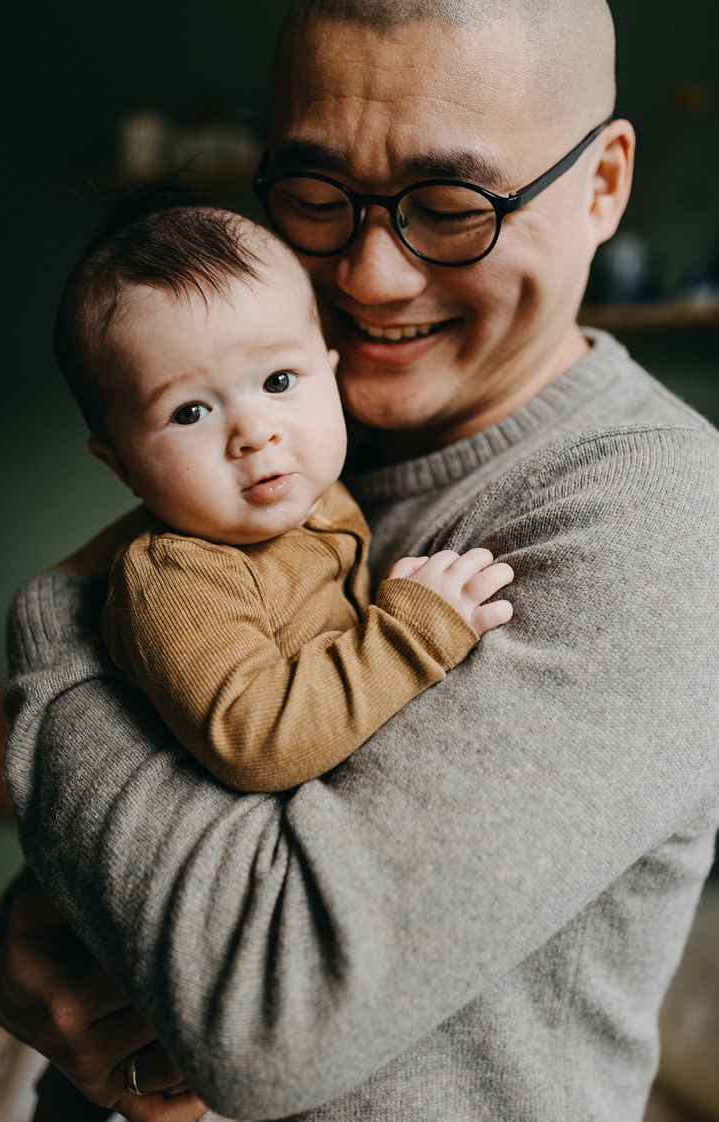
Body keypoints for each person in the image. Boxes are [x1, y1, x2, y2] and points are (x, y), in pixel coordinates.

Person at [0, 2, 719, 1120]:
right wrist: (36, 944)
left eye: (451, 205)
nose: (370, 276)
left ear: (604, 184)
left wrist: (60, 619)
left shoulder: (659, 512)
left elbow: (264, 1017)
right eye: (318, 197)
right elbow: (132, 865)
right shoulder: (301, 443)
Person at [57, 200, 513, 792]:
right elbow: (257, 743)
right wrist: (410, 638)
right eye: (189, 411)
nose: (253, 432)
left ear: (330, 373)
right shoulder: (177, 581)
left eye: (278, 381)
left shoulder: (319, 495)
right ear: (123, 465)